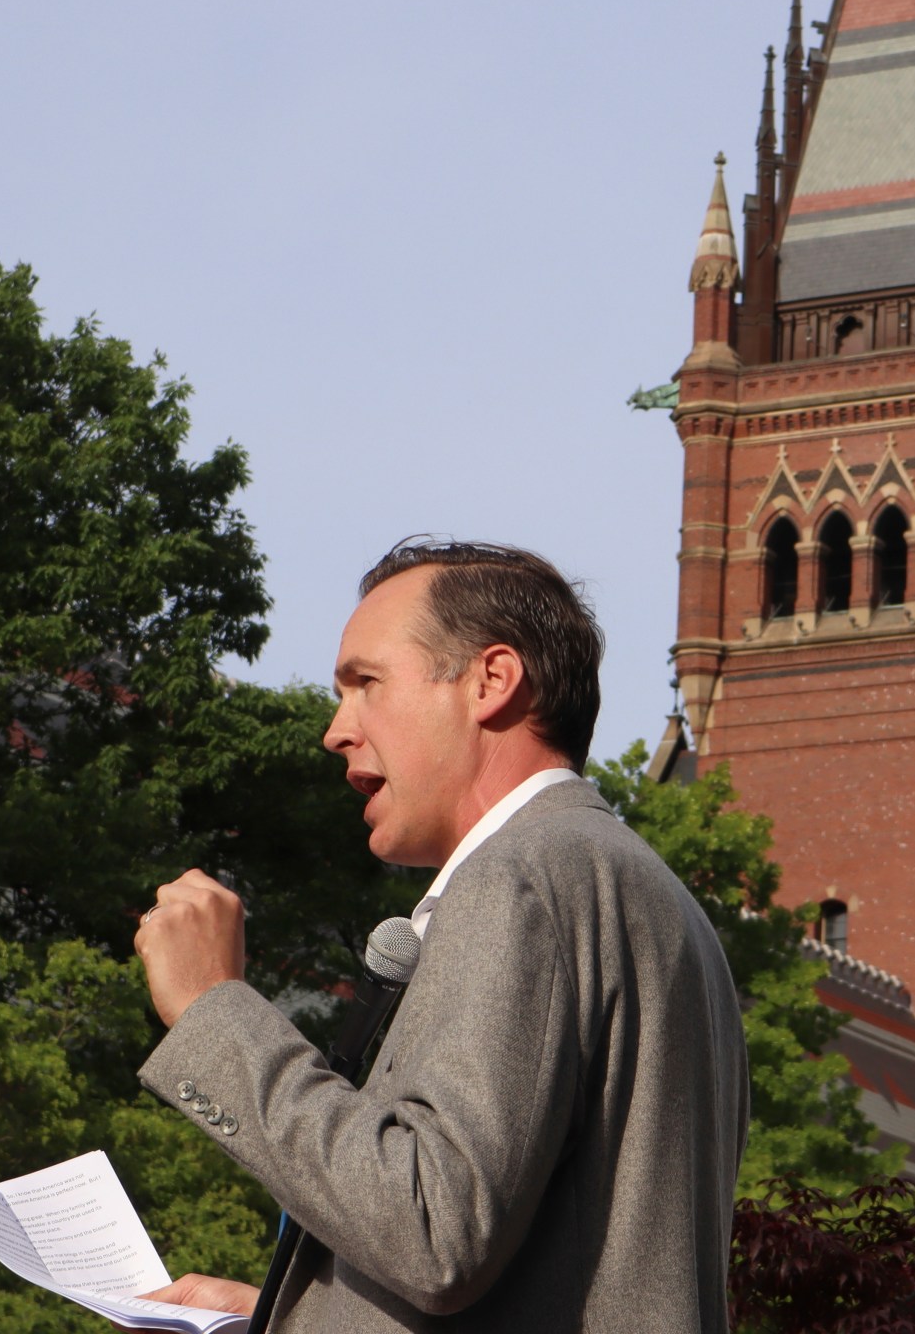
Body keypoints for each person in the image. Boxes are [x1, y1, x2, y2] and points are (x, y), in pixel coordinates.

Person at [130, 539, 748, 1332]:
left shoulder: (519, 875)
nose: (336, 730)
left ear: (490, 681)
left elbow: (433, 1230)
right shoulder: (658, 904)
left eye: (366, 684)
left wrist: (214, 1009)